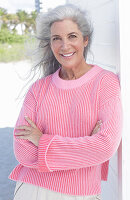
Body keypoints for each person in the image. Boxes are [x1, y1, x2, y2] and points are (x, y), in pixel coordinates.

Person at [9, 4, 122, 200]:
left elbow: (104, 147)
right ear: (50, 44)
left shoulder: (105, 82)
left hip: (82, 193)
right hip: (32, 190)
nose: (64, 46)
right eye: (56, 39)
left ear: (85, 39)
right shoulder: (38, 89)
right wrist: (85, 146)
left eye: (72, 36)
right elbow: (23, 151)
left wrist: (41, 141)